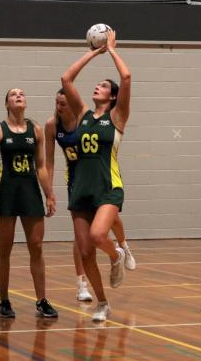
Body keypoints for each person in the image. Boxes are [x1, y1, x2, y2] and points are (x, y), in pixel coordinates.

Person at [60, 29, 131, 322]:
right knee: (86, 252)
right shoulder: (85, 114)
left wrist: (112, 49)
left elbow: (126, 78)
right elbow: (66, 80)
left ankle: (116, 256)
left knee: (98, 234)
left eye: (103, 85)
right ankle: (102, 302)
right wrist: (94, 51)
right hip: (81, 189)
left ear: (112, 96)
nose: (98, 87)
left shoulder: (118, 116)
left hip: (108, 186)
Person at [44, 89, 136, 302]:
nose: (59, 107)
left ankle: (123, 247)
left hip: (98, 174)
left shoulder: (84, 119)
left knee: (112, 219)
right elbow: (49, 161)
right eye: (57, 103)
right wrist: (49, 191)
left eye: (63, 103)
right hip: (76, 179)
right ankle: (82, 283)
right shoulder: (52, 125)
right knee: (81, 238)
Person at [0, 88, 58, 319]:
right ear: (6, 102)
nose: (19, 96)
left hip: (30, 192)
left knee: (36, 247)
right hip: (6, 192)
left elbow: (41, 166)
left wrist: (49, 194)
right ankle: (4, 301)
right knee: (4, 248)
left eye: (22, 94)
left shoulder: (35, 129)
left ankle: (41, 300)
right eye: (13, 94)